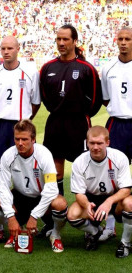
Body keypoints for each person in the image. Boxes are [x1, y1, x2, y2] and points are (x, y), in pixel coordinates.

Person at [39, 24, 102, 236]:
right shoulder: (47, 68)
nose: (61, 43)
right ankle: (55, 217)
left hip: (78, 124)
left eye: (66, 39)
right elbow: (45, 98)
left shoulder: (86, 69)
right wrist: (59, 111)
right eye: (58, 39)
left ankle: (89, 219)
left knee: (85, 171)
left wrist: (79, 113)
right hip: (55, 123)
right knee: (52, 171)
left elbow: (95, 101)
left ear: (75, 41)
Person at [0, 119, 68, 252]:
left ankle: (55, 235)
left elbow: (52, 188)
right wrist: (11, 217)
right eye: (17, 139)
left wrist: (34, 216)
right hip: (21, 198)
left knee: (60, 203)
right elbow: (3, 188)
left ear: (33, 139)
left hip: (41, 197)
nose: (20, 143)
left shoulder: (44, 154)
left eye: (24, 139)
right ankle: (15, 233)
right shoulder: (7, 156)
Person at [67, 126, 132, 258]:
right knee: (72, 215)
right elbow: (79, 193)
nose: (95, 147)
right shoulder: (79, 162)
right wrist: (86, 205)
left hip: (115, 198)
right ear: (87, 142)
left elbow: (126, 189)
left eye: (99, 143)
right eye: (92, 143)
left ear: (107, 143)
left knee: (130, 204)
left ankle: (125, 243)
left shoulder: (119, 157)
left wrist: (109, 202)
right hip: (92, 200)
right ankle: (95, 232)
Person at [0, 36, 40, 167]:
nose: (6, 51)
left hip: (22, 125)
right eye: (3, 48)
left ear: (18, 49)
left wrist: (26, 120)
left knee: (27, 165)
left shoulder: (30, 73)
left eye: (10, 48)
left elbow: (36, 102)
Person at [101, 27, 132, 241]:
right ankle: (110, 225)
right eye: (120, 38)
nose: (123, 42)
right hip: (116, 125)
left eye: (127, 39)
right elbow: (105, 98)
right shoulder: (107, 67)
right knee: (112, 176)